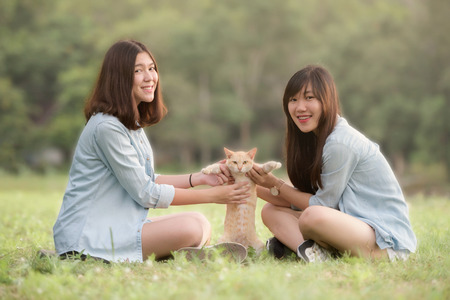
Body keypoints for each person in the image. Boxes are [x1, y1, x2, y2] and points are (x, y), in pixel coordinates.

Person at [53, 40, 249, 263]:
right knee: (192, 228)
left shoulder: (129, 124)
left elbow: (145, 179)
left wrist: (200, 178)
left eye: (151, 68)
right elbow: (146, 192)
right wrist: (212, 196)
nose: (149, 77)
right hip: (86, 238)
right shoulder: (107, 128)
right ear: (118, 77)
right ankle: (174, 255)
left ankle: (176, 255)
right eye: (138, 71)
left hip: (116, 226)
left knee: (199, 222)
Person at [247, 65, 417, 262]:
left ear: (326, 99)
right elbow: (302, 200)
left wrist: (276, 184)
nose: (299, 107)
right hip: (349, 224)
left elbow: (322, 205)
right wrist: (250, 182)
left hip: (385, 240)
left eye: (309, 98)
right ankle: (313, 254)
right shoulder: (314, 139)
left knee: (313, 216)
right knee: (270, 211)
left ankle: (313, 249)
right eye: (293, 100)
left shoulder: (340, 143)